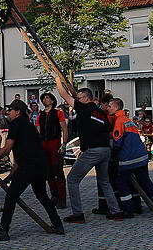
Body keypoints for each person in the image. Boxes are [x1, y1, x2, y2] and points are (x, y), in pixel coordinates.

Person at [0, 99, 64, 241]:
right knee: (42, 195)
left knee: (11, 196)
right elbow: (22, 154)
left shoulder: (16, 124)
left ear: (18, 112)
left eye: (10, 110)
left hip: (28, 167)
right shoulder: (29, 126)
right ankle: (58, 225)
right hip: (40, 166)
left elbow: (7, 148)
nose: (8, 112)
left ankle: (3, 230)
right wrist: (11, 174)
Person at [54, 76, 121, 222]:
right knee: (104, 181)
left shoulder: (83, 108)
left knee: (72, 179)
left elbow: (64, 95)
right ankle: (115, 211)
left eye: (79, 97)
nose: (76, 100)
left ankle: (78, 214)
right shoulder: (100, 113)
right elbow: (109, 132)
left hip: (92, 150)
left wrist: (58, 80)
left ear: (85, 98)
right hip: (105, 150)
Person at [106, 98, 153, 218]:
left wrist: (109, 142)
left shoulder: (119, 122)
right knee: (146, 182)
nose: (108, 108)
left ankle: (128, 210)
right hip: (141, 157)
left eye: (109, 106)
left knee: (121, 183)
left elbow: (118, 143)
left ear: (115, 107)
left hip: (128, 159)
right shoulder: (129, 121)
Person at [36, 92, 68, 209]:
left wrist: (64, 144)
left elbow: (64, 129)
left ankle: (62, 197)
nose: (45, 100)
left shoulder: (58, 113)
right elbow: (38, 130)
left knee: (58, 171)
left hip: (54, 143)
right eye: (43, 98)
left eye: (47, 98)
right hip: (44, 144)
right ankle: (54, 195)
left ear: (52, 101)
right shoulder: (41, 115)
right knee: (48, 172)